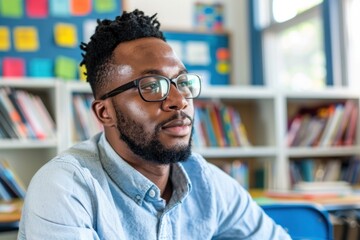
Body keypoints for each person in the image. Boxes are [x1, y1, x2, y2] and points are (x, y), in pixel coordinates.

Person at [18, 9, 290, 239]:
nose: (179, 100)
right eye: (151, 86)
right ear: (104, 113)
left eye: (182, 82)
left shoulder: (206, 181)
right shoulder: (65, 186)